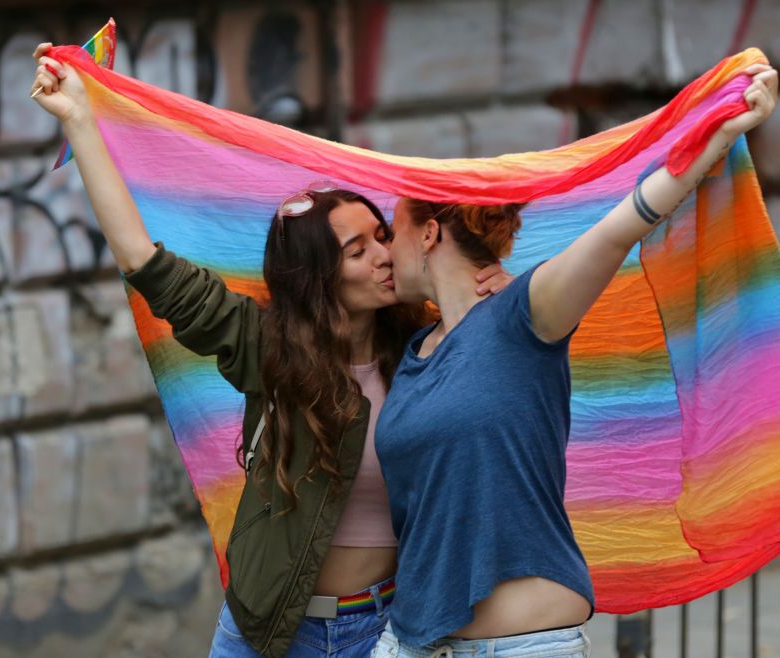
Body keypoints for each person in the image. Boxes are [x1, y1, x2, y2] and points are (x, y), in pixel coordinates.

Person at [29, 43, 513, 658]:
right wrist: (78, 119)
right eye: (357, 251)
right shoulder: (269, 350)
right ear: (318, 278)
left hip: (390, 633)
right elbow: (140, 260)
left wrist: (497, 296)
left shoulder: (432, 350)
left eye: (382, 235)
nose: (385, 255)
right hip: (267, 633)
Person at [373, 65, 779, 657]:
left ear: (429, 233)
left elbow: (620, 228)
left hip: (522, 648)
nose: (385, 250)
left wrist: (714, 133)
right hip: (411, 643)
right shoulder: (410, 354)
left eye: (392, 231)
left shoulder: (525, 313)